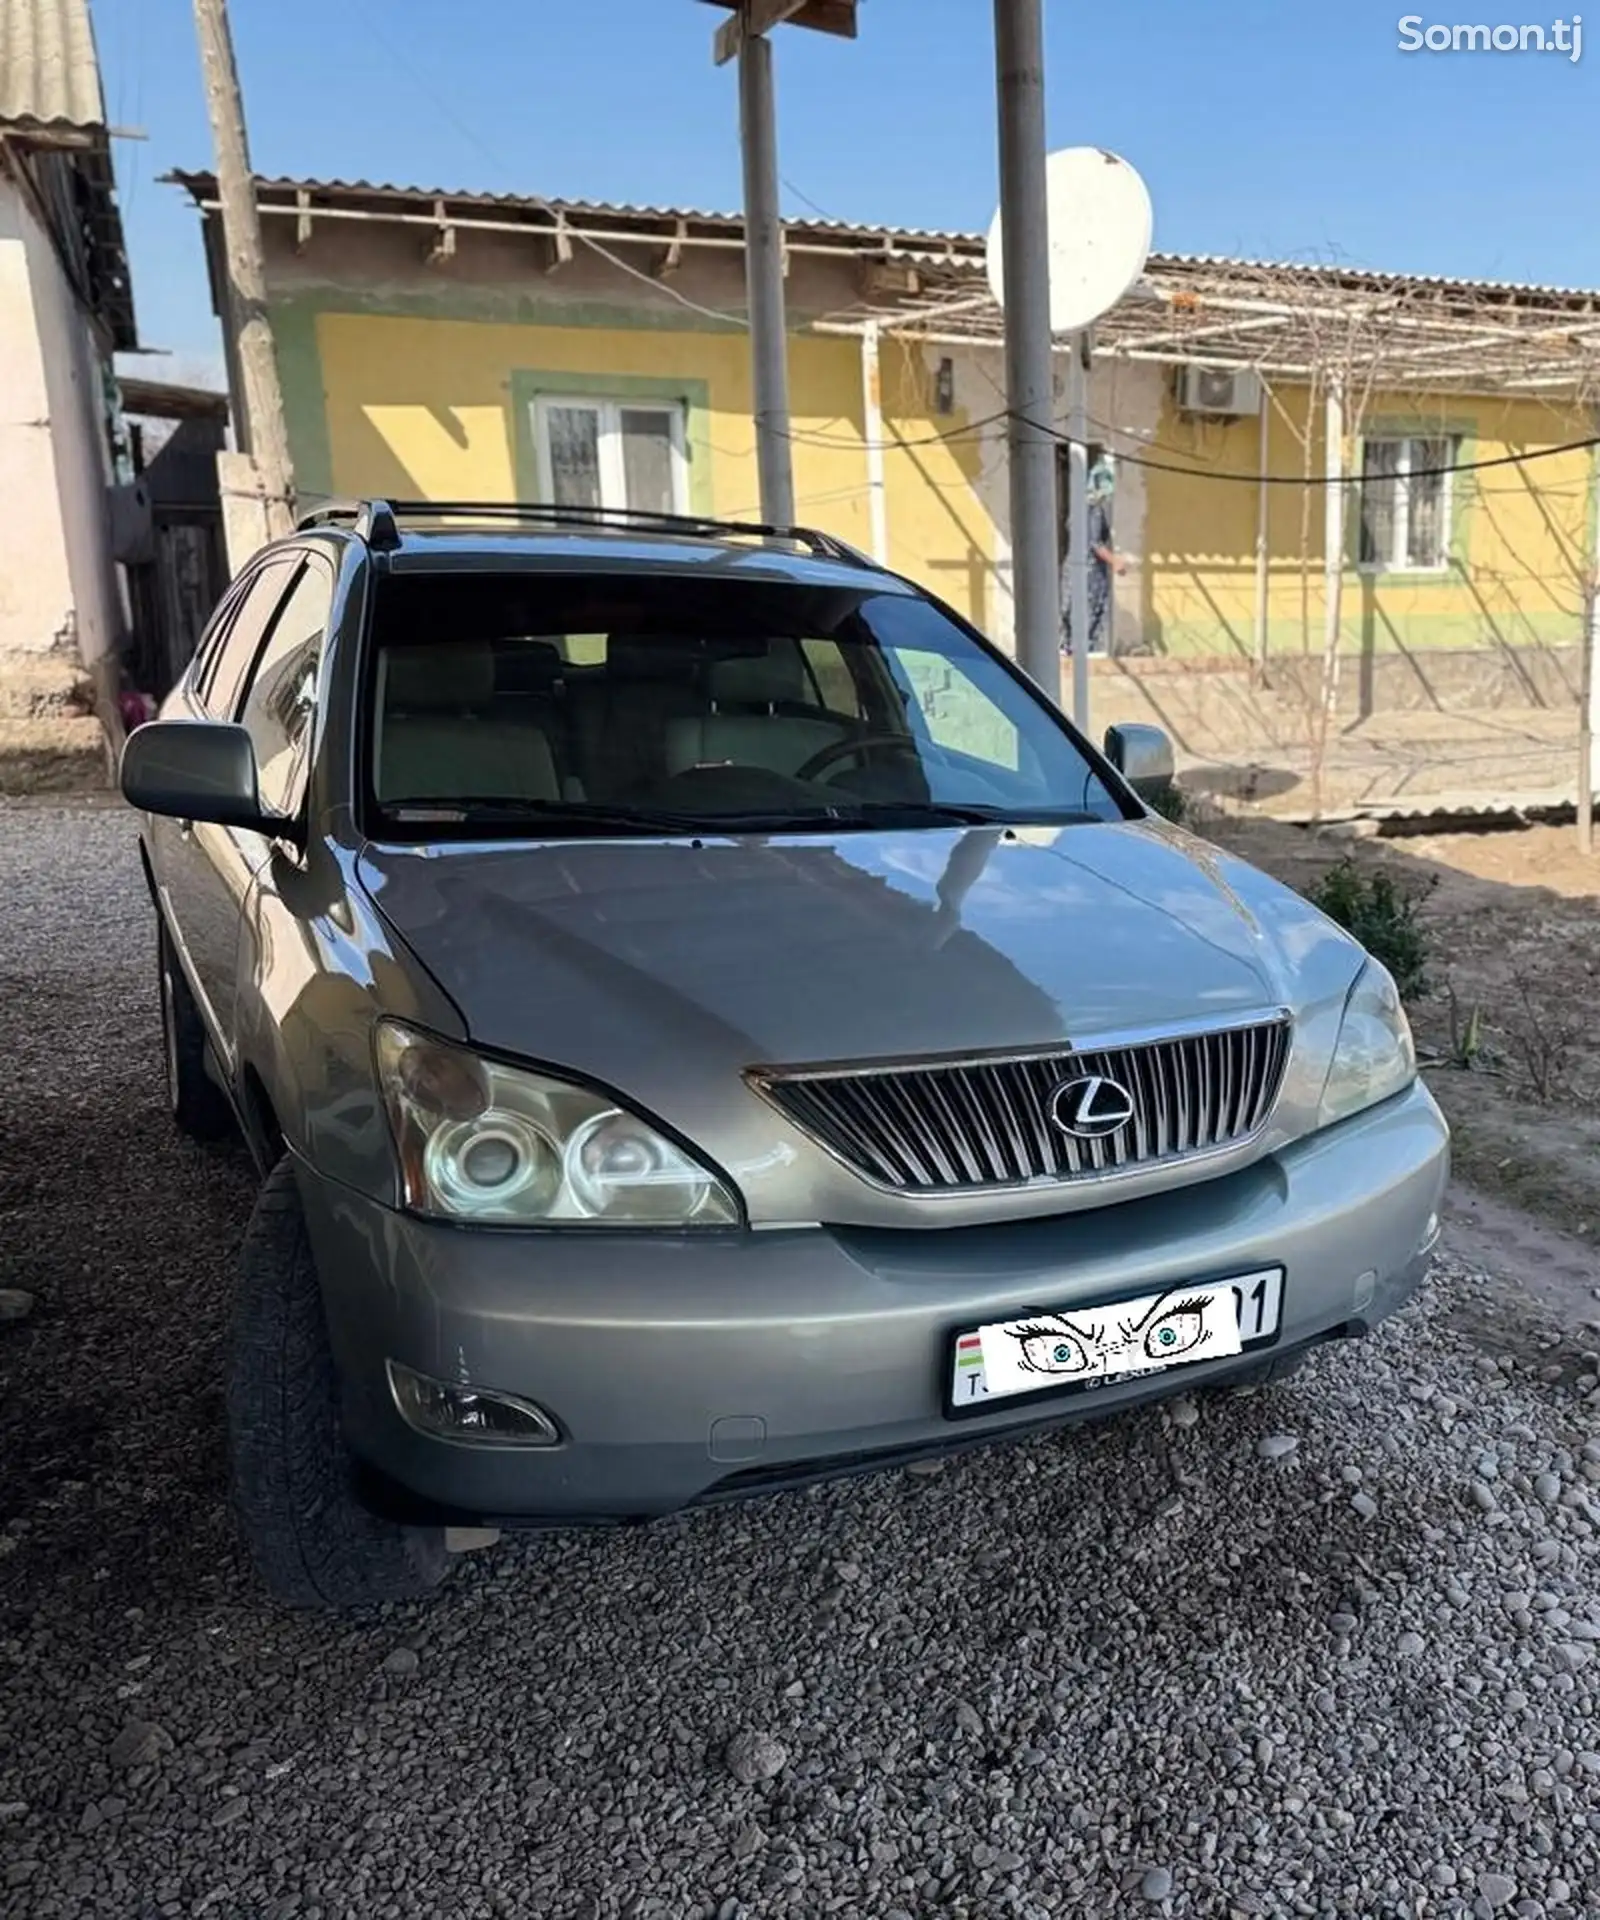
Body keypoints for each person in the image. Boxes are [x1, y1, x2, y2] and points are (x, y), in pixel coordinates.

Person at [1061, 458, 1127, 656]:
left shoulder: (1077, 508)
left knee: (1069, 609)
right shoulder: (1094, 510)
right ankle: (1083, 649)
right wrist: (1115, 560)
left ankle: (1070, 646)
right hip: (1089, 571)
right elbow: (1094, 542)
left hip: (1072, 568)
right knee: (1090, 610)